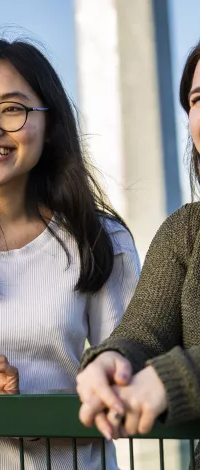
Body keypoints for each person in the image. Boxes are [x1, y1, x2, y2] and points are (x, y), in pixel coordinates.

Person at [0, 39, 140, 470]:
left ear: (50, 123)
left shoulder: (101, 239)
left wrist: (20, 408)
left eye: (12, 109)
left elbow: (134, 392)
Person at [77, 40, 200, 468]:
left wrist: (180, 379)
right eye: (199, 99)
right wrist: (112, 361)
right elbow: (144, 331)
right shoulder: (186, 230)